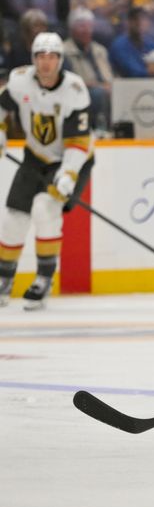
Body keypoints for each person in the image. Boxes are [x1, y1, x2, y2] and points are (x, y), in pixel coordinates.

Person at [0, 32, 94, 310]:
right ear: (33, 59)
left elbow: (79, 142)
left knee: (45, 209)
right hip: (35, 157)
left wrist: (68, 175)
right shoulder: (19, 81)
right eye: (41, 56)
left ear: (60, 60)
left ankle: (43, 278)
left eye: (52, 57)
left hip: (71, 159)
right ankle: (4, 279)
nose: (46, 63)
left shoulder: (75, 90)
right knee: (14, 217)